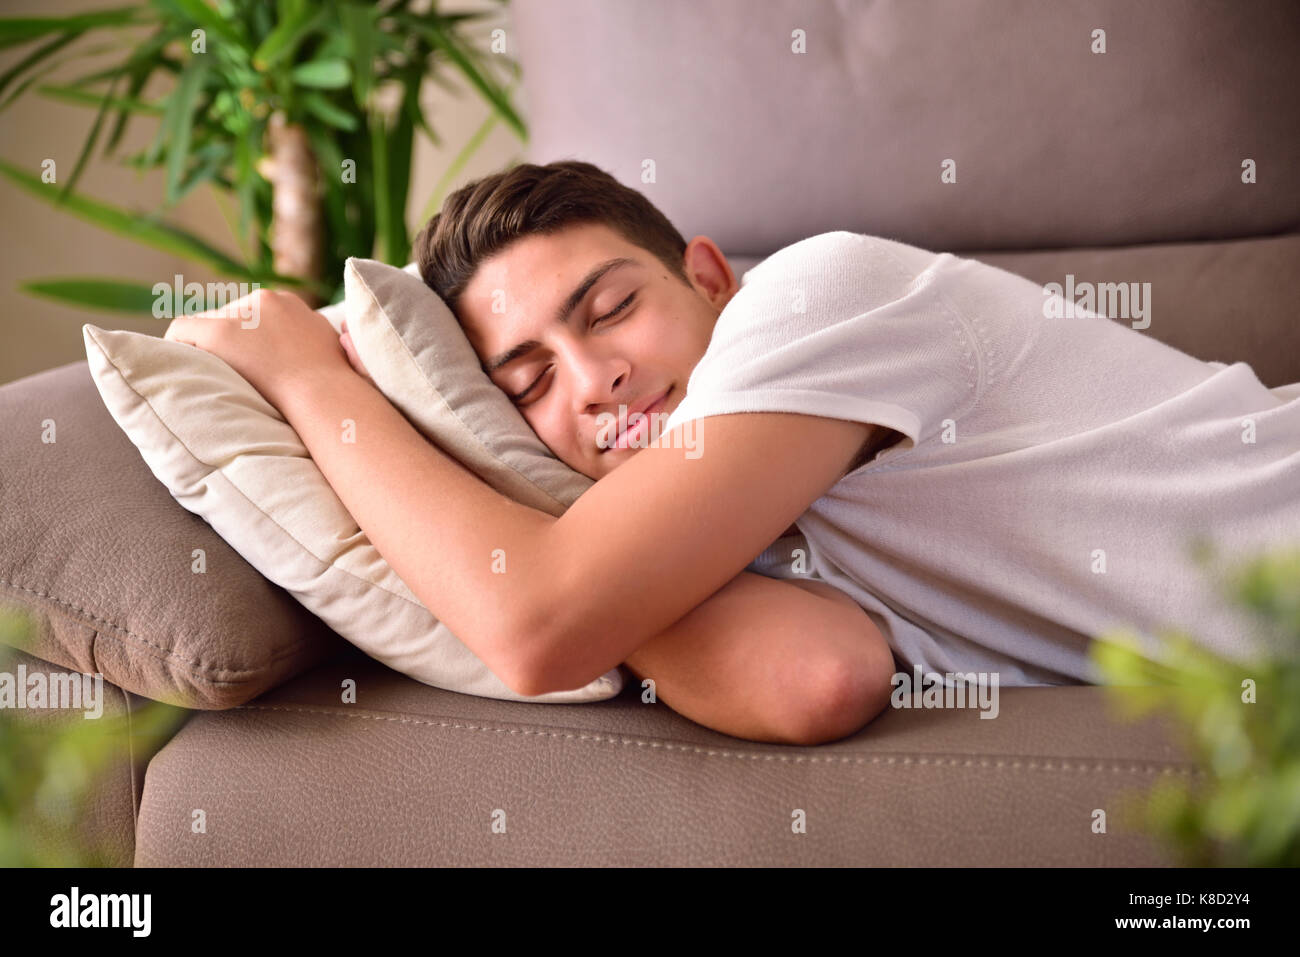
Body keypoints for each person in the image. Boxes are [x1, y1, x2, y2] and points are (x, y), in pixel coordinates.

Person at [172, 160, 1300, 747]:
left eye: (611, 309)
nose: (594, 375)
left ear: (711, 277)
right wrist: (515, 501)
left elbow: (536, 623)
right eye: (529, 382)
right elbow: (815, 679)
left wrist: (310, 382)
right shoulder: (738, 527)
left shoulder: (821, 291)